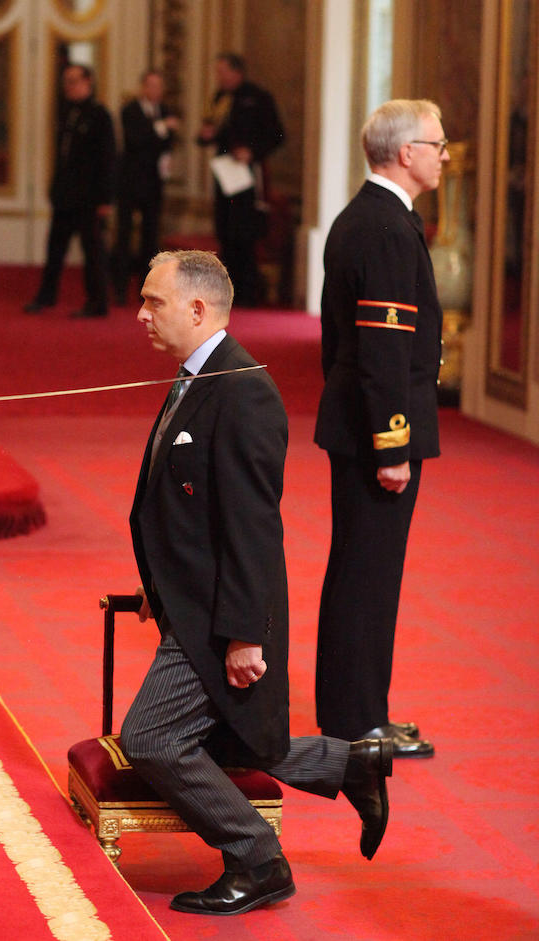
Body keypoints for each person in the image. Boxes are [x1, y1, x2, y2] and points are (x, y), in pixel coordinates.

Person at [119, 250, 393, 916]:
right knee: (231, 735)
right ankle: (348, 763)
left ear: (197, 307)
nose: (140, 314)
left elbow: (252, 530)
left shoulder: (241, 390)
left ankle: (257, 856)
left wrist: (246, 634)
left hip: (217, 615)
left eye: (153, 301)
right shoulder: (201, 376)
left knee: (151, 739)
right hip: (188, 607)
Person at [314, 100, 448, 757]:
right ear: (404, 152)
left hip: (359, 423)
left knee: (365, 571)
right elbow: (383, 352)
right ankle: (354, 721)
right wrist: (392, 443)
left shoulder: (367, 217)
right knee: (367, 574)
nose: (444, 154)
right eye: (437, 143)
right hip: (378, 434)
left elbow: (335, 338)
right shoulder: (387, 227)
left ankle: (363, 710)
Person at [24, 64, 115, 318]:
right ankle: (46, 296)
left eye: (74, 81)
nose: (69, 86)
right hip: (65, 195)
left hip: (89, 198)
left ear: (89, 82)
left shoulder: (100, 115)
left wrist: (105, 199)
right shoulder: (65, 113)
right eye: (66, 81)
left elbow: (108, 159)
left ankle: (97, 303)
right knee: (54, 249)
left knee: (93, 253)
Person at [196, 52, 283, 307]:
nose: (219, 77)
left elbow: (277, 135)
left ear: (237, 72)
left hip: (248, 176)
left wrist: (252, 151)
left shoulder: (259, 98)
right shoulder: (219, 98)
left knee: (245, 231)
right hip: (224, 173)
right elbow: (208, 132)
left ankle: (247, 292)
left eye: (223, 72)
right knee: (224, 229)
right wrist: (205, 135)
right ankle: (227, 290)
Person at [111, 70, 179, 306]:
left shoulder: (165, 110)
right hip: (130, 182)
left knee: (151, 238)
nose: (155, 91)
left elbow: (167, 143)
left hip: (153, 183)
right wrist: (161, 128)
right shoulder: (130, 110)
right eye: (151, 85)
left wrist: (161, 134)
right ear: (143, 87)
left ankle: (147, 289)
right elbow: (136, 140)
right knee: (124, 235)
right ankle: (119, 287)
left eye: (159, 86)